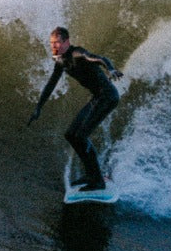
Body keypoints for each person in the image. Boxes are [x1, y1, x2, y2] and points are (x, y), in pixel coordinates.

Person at [28, 27, 122, 191]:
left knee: (81, 136)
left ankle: (97, 180)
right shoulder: (61, 61)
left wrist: (111, 68)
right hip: (97, 98)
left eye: (57, 42)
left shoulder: (77, 53)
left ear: (66, 41)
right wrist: (38, 107)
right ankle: (92, 175)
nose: (54, 46)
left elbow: (100, 58)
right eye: (51, 43)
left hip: (108, 97)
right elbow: (51, 84)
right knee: (71, 135)